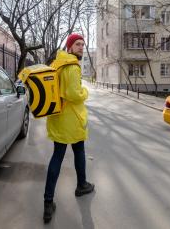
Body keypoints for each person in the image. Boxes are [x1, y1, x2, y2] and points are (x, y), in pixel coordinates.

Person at [43, 33, 95, 223]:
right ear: (70, 46)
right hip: (71, 119)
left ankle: (48, 202)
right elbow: (73, 93)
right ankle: (81, 185)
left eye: (83, 44)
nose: (81, 47)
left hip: (58, 117)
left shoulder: (58, 63)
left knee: (57, 157)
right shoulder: (72, 66)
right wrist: (85, 92)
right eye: (78, 44)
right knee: (79, 150)